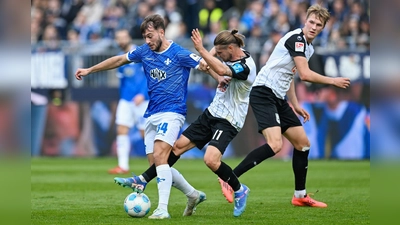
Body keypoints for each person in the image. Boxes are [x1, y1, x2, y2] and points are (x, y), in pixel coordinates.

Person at [75, 14, 209, 219]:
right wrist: (90, 69)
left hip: (173, 112)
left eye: (150, 36)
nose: (147, 41)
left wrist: (220, 75)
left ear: (161, 32)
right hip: (152, 113)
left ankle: (162, 209)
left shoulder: (179, 53)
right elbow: (119, 59)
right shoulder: (144, 51)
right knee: (156, 165)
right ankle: (193, 194)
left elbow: (204, 65)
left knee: (161, 157)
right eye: (145, 37)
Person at [115, 28, 257, 217]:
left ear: (231, 48)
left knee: (211, 160)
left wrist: (201, 49)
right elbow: (214, 60)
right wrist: (210, 52)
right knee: (175, 149)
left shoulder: (246, 65)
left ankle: (239, 190)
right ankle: (143, 179)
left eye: (221, 52)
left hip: (229, 120)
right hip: (212, 113)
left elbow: (222, 69)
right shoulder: (228, 52)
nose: (219, 56)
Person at [218, 4, 350, 207]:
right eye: (311, 22)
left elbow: (292, 75)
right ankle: (230, 178)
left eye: (319, 24)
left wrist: (295, 104)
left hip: (278, 98)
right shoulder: (296, 39)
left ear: (323, 28)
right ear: (305, 21)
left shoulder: (308, 47)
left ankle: (299, 195)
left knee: (303, 144)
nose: (314, 27)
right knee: (275, 145)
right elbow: (305, 75)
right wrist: (333, 81)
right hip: (263, 92)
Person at [108, 29, 150, 174]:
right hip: (126, 100)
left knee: (145, 133)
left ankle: (159, 164)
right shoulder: (120, 57)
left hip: (141, 100)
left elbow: (148, 75)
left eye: (123, 37)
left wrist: (143, 94)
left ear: (129, 38)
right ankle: (123, 166)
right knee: (121, 129)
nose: (121, 40)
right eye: (118, 38)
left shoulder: (137, 54)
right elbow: (124, 82)